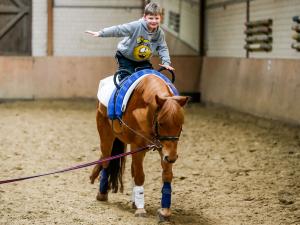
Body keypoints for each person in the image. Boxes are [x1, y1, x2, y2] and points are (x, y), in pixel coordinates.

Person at [85, 2, 174, 81]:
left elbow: (162, 47)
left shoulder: (159, 33)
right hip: (126, 57)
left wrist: (166, 62)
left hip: (143, 60)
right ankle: (121, 95)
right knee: (126, 79)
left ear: (161, 18)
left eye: (156, 18)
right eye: (151, 18)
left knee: (149, 79)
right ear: (145, 17)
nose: (154, 21)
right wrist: (101, 33)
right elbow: (119, 30)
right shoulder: (136, 26)